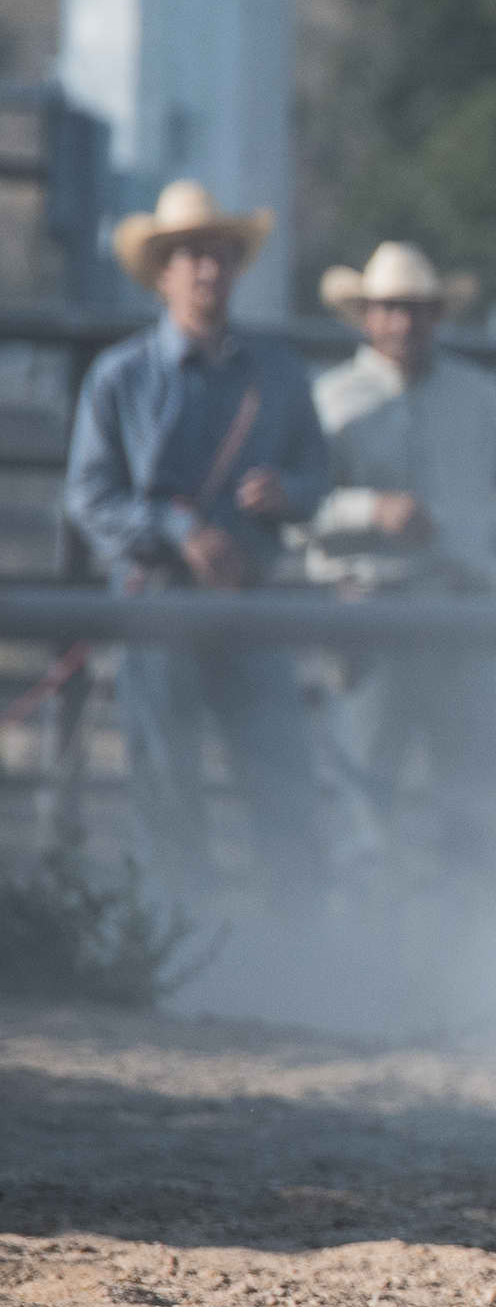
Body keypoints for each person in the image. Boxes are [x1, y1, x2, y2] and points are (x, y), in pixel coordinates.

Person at [64, 182, 334, 914]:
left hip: (248, 605)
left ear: (234, 268)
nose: (207, 270)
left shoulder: (277, 372)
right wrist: (179, 533)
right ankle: (178, 955)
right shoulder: (121, 377)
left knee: (282, 780)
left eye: (218, 256)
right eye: (190, 256)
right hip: (159, 607)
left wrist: (288, 494)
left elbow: (317, 471)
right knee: (167, 790)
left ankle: (299, 951)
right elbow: (89, 497)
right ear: (163, 271)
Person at [305, 241, 496, 889]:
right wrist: (366, 511)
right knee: (366, 800)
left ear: (436, 316)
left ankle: (468, 959)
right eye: (388, 309)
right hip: (370, 610)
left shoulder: (474, 398)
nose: (402, 324)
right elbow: (296, 511)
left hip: (459, 612)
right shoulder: (329, 402)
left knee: (475, 800)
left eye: (415, 310)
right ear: (365, 315)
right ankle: (366, 957)